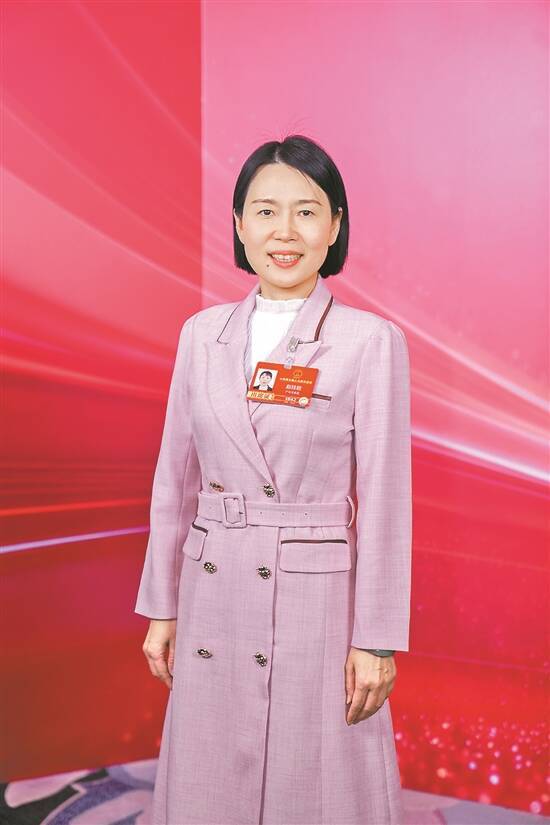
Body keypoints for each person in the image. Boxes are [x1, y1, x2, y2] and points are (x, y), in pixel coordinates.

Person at [135, 134, 412, 825]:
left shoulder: (369, 341)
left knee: (311, 779)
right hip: (214, 587)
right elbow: (174, 481)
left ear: (335, 226)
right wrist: (162, 607)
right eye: (265, 211)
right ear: (238, 224)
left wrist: (376, 639)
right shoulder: (202, 334)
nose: (284, 232)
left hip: (317, 598)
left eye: (306, 211)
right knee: (210, 775)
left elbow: (386, 502)